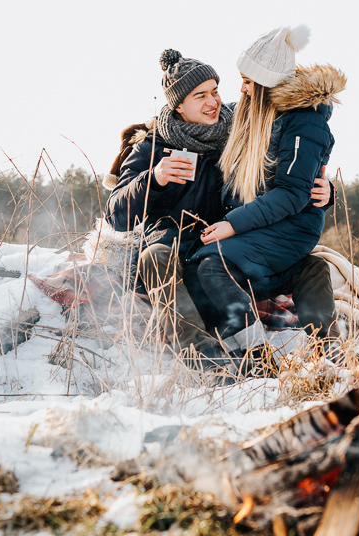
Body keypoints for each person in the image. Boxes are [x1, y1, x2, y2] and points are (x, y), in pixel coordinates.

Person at [103, 49, 332, 370]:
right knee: (154, 256)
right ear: (178, 105)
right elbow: (116, 215)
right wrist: (154, 178)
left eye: (215, 91)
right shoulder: (153, 148)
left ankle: (328, 351)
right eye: (200, 96)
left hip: (228, 255)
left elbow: (289, 166)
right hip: (180, 263)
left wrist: (322, 191)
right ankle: (204, 357)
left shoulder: (237, 129)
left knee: (313, 266)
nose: (212, 102)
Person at [191, 25, 345, 352]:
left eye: (248, 81)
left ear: (265, 83)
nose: (242, 89)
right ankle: (323, 339)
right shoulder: (251, 113)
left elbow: (292, 192)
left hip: (290, 224)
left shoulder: (305, 122)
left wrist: (232, 225)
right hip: (263, 223)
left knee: (213, 265)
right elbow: (197, 120)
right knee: (202, 265)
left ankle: (257, 353)